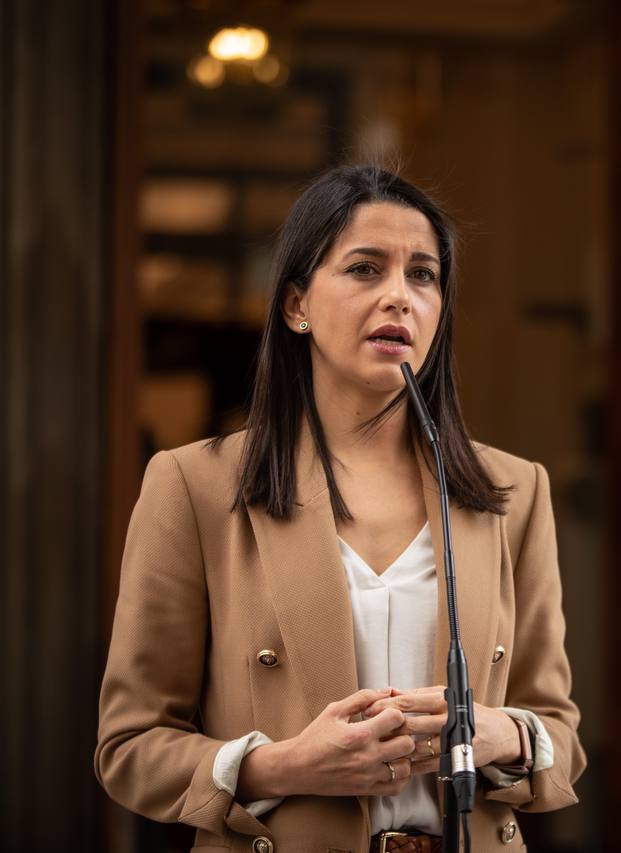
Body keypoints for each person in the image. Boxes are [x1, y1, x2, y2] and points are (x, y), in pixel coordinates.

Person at [95, 164, 587, 853]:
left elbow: (558, 732)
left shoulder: (513, 491)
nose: (399, 297)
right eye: (364, 269)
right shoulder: (195, 486)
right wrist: (290, 763)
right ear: (296, 304)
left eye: (423, 275)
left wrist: (499, 732)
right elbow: (129, 745)